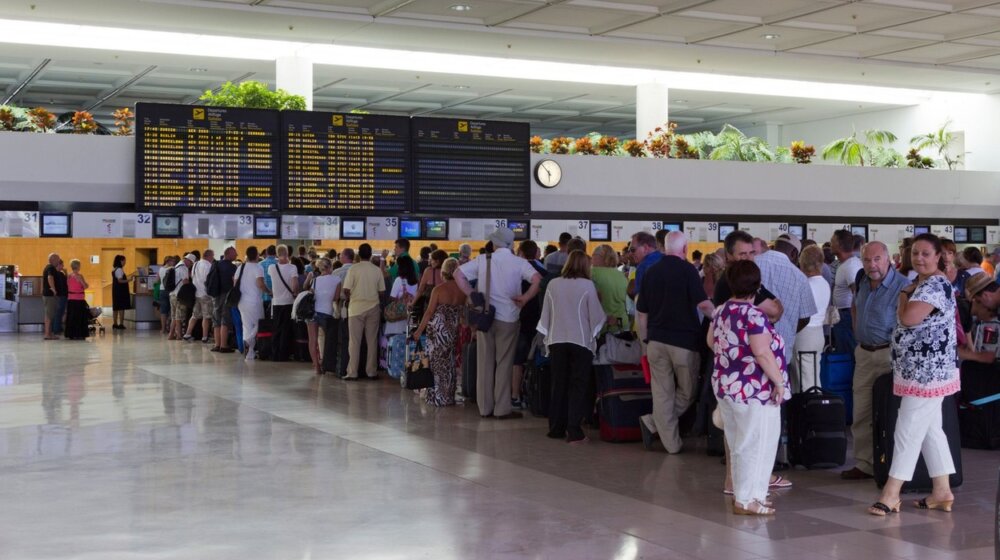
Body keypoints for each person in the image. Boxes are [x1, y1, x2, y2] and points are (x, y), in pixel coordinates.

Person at [869, 233, 959, 516]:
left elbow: (908, 318)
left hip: (927, 373)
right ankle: (942, 492)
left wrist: (904, 296)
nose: (919, 258)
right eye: (915, 253)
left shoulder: (934, 285)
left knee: (906, 430)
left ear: (938, 257)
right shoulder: (921, 283)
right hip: (917, 370)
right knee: (931, 430)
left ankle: (891, 493)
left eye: (926, 254)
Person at [710, 260, 788, 516]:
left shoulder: (721, 310)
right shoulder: (754, 315)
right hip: (755, 390)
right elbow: (763, 353)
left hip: (727, 386)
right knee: (758, 444)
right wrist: (779, 382)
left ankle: (753, 495)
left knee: (738, 442)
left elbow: (711, 341)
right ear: (757, 285)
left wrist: (733, 357)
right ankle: (745, 499)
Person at [636, 231, 716, 453]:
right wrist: (721, 319)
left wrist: (645, 340)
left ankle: (667, 439)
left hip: (655, 341)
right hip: (684, 343)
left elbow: (642, 313)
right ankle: (656, 427)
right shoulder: (688, 270)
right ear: (685, 249)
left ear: (664, 247)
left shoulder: (651, 272)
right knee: (688, 392)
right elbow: (703, 305)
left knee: (662, 393)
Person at [455, 227, 542, 419]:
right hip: (509, 317)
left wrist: (471, 294)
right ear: (511, 244)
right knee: (504, 363)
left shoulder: (483, 260)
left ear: (495, 243)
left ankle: (485, 408)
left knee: (485, 362)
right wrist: (525, 297)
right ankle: (502, 409)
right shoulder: (519, 263)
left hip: (485, 317)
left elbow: (457, 274)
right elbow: (537, 279)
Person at [841, 241, 910, 480]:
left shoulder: (903, 286)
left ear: (888, 259)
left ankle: (893, 465)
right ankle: (865, 463)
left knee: (891, 412)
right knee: (861, 410)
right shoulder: (862, 282)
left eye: (877, 259)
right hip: (864, 353)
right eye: (867, 260)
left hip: (888, 354)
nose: (872, 265)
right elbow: (855, 310)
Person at [537, 250, 606, 443]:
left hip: (557, 339)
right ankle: (574, 430)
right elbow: (596, 315)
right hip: (580, 340)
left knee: (558, 384)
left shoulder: (553, 284)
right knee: (578, 385)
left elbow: (546, 315)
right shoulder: (587, 285)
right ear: (586, 265)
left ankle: (556, 428)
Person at [753, 235, 817, 366]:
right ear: (794, 253)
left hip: (751, 346)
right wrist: (788, 330)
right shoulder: (800, 276)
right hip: (780, 351)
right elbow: (805, 318)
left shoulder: (752, 263)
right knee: (779, 385)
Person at [413, 258, 466, 406]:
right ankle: (448, 395)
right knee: (449, 362)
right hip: (453, 331)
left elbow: (429, 312)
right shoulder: (463, 290)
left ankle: (437, 397)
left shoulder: (439, 290)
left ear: (443, 272)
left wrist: (418, 331)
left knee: (436, 363)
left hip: (438, 332)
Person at [713, 230, 783, 325]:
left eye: (751, 253)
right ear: (728, 255)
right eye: (743, 254)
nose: (749, 258)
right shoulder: (734, 281)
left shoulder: (747, 278)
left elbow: (777, 307)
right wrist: (769, 316)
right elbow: (774, 310)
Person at [512, 240, 548, 409]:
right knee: (535, 358)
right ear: (536, 253)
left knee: (516, 360)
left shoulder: (515, 269)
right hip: (539, 321)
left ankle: (515, 396)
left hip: (517, 318)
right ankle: (533, 393)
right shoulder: (544, 271)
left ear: (520, 252)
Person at [343, 244, 385, 380]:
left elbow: (346, 289)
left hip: (355, 308)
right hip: (373, 307)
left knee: (354, 342)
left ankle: (353, 372)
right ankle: (371, 372)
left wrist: (351, 297)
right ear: (371, 254)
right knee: (372, 341)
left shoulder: (353, 269)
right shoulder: (377, 270)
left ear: (359, 255)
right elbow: (382, 291)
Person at [794, 246, 830, 390]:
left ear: (802, 263)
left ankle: (811, 409)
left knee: (805, 379)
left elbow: (798, 314)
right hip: (818, 333)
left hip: (804, 334)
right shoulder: (824, 283)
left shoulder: (806, 285)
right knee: (813, 375)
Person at [831, 229, 863, 352]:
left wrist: (855, 319)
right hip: (843, 315)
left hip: (847, 316)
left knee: (848, 352)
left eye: (832, 241)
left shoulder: (851, 266)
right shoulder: (845, 264)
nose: (830, 244)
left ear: (839, 244)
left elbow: (857, 293)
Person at [308, 258, 341, 375]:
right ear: (330, 267)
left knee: (313, 340)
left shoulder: (315, 280)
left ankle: (317, 368)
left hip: (313, 313)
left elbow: (312, 295)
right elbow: (336, 298)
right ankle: (327, 364)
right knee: (329, 341)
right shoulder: (337, 279)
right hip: (328, 313)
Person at [235, 246, 269, 362]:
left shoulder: (241, 267)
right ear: (256, 255)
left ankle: (250, 353)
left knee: (246, 325)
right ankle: (248, 340)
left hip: (241, 301)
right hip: (254, 301)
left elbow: (235, 282)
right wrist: (269, 291)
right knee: (259, 323)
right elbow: (260, 284)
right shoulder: (258, 267)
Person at [268, 245, 299, 362]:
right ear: (288, 253)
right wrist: (295, 293)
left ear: (277, 254)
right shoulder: (292, 267)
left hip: (276, 302)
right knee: (286, 329)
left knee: (276, 328)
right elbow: (295, 284)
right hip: (288, 301)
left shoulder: (271, 267)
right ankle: (284, 354)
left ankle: (275, 353)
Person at [590, 244, 629, 331]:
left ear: (598, 257)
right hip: (622, 323)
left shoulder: (591, 273)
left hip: (603, 326)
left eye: (593, 256)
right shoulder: (621, 275)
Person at [183, 249, 214, 343]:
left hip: (197, 293)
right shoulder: (208, 265)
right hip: (205, 294)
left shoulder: (196, 264)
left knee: (195, 315)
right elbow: (208, 280)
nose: (213, 258)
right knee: (206, 316)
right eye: (212, 256)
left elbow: (192, 277)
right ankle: (204, 337)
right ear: (209, 256)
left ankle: (187, 334)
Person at [210, 247, 238, 353]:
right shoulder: (232, 267)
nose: (237, 255)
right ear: (229, 254)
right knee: (225, 320)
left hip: (215, 295)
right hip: (226, 295)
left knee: (216, 320)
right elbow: (234, 281)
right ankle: (224, 345)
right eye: (235, 254)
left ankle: (217, 344)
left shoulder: (215, 264)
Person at [387, 255, 419, 338]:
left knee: (395, 342)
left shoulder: (399, 280)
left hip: (397, 317)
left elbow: (392, 298)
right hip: (408, 316)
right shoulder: (415, 281)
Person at [628, 232, 661, 300]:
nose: (630, 254)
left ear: (645, 248)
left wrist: (630, 290)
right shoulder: (665, 258)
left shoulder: (643, 266)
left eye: (633, 250)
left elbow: (640, 300)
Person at [169, 254, 194, 340]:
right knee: (179, 317)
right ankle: (179, 335)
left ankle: (171, 334)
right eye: (191, 263)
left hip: (172, 294)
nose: (190, 265)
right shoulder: (184, 268)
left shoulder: (176, 266)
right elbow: (185, 281)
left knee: (173, 317)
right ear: (188, 260)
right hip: (179, 296)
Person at [64, 259, 90, 341]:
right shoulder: (79, 276)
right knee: (80, 317)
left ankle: (71, 334)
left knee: (72, 317)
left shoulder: (69, 276)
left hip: (71, 299)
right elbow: (85, 286)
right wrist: (84, 283)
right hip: (79, 299)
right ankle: (80, 334)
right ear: (78, 266)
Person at [111, 254, 132, 330]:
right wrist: (129, 280)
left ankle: (115, 323)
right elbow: (120, 280)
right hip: (120, 291)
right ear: (120, 261)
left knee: (116, 307)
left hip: (116, 290)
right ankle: (121, 324)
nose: (125, 262)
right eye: (124, 260)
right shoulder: (119, 270)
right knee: (121, 307)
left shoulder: (115, 269)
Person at [42, 254, 60, 340]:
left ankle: (49, 333)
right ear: (53, 260)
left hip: (47, 295)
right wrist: (54, 289)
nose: (59, 261)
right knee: (49, 315)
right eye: (58, 259)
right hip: (50, 295)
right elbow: (50, 277)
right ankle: (47, 334)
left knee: (49, 314)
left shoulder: (49, 267)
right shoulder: (50, 268)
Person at [157, 256, 176, 335]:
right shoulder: (172, 269)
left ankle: (163, 328)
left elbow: (157, 279)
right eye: (173, 261)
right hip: (170, 290)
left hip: (162, 290)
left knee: (163, 311)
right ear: (169, 262)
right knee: (172, 310)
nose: (174, 263)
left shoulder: (160, 269)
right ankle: (171, 329)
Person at [260, 245, 277, 315]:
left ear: (266, 252)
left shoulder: (260, 264)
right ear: (276, 253)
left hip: (263, 296)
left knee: (264, 319)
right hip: (276, 297)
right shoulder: (279, 263)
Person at [53, 259, 68, 335]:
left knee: (61, 312)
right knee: (59, 312)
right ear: (58, 265)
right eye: (62, 265)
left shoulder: (61, 274)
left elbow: (67, 282)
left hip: (63, 295)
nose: (63, 266)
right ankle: (56, 329)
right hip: (60, 295)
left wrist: (65, 273)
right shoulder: (56, 274)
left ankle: (58, 327)